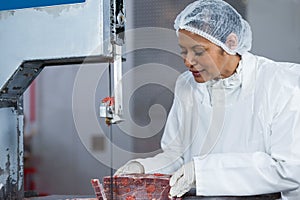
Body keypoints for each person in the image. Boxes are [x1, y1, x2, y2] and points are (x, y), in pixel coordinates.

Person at [115, 0, 300, 199]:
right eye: (183, 51)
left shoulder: (283, 83)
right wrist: (143, 168)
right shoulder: (186, 85)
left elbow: (290, 170)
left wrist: (201, 173)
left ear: (230, 43)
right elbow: (176, 155)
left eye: (199, 51)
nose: (188, 61)